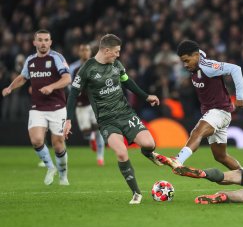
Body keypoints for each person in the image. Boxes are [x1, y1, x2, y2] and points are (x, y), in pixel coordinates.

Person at [63, 34, 164, 204]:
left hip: (126, 114)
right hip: (107, 120)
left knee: (149, 144)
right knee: (121, 152)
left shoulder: (116, 64)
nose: (118, 55)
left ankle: (148, 154)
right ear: (106, 50)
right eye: (116, 52)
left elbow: (127, 82)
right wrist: (68, 120)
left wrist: (146, 97)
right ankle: (136, 193)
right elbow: (73, 94)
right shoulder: (87, 69)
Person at [157, 40, 243, 170]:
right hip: (215, 112)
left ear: (196, 56)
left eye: (187, 61)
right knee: (221, 156)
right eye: (183, 62)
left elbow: (235, 69)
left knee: (197, 131)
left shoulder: (208, 67)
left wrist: (240, 97)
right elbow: (199, 51)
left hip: (219, 111)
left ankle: (178, 159)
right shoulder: (196, 62)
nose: (185, 65)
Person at [2, 29, 71, 185]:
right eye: (40, 40)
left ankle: (63, 175)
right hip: (38, 107)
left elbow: (67, 78)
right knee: (36, 140)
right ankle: (50, 167)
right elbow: (22, 77)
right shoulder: (30, 60)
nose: (43, 43)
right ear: (34, 42)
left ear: (50, 42)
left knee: (58, 144)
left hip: (57, 107)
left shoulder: (57, 58)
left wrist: (52, 87)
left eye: (46, 40)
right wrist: (10, 87)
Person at [71, 44, 105, 166]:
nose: (85, 52)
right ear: (79, 53)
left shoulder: (97, 67)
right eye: (82, 50)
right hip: (81, 104)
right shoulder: (74, 69)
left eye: (87, 50)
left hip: (94, 103)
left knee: (98, 129)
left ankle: (100, 157)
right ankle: (90, 138)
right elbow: (71, 87)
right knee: (86, 131)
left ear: (90, 52)